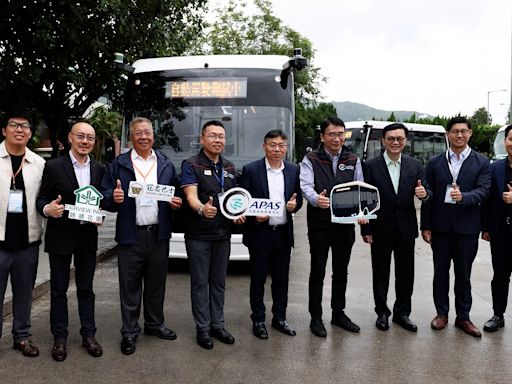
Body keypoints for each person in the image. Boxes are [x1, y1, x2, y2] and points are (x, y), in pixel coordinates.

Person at [101, 117, 182, 355]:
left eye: (147, 133)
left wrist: (176, 203)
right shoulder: (119, 164)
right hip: (130, 235)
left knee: (157, 284)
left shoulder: (165, 164)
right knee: (130, 286)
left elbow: (174, 193)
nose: (143, 137)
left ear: (153, 136)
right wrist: (112, 198)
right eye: (138, 133)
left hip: (158, 234)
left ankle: (155, 325)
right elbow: (106, 193)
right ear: (131, 137)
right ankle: (129, 332)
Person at [36, 122, 105, 361]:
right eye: (81, 137)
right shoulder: (54, 166)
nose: (85, 141)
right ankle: (60, 338)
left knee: (86, 289)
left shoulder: (99, 168)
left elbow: (103, 202)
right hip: (61, 236)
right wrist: (47, 208)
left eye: (90, 138)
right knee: (58, 290)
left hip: (87, 237)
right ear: (70, 138)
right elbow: (42, 198)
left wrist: (102, 213)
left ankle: (89, 335)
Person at [421, 116, 490, 338]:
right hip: (440, 229)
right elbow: (427, 195)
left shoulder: (481, 162)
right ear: (448, 135)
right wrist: (426, 225)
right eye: (454, 131)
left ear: (470, 133)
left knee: (464, 275)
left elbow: (484, 190)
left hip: (467, 229)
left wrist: (464, 197)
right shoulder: (435, 162)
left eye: (463, 131)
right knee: (440, 273)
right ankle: (442, 314)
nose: (459, 135)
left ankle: (464, 317)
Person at [300, 116, 364, 337]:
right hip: (320, 223)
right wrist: (316, 199)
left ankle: (338, 313)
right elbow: (305, 186)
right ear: (322, 136)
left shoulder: (353, 159)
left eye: (340, 134)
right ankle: (315, 317)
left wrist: (363, 211)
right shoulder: (311, 159)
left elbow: (360, 187)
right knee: (317, 270)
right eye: (332, 134)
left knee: (341, 271)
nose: (337, 139)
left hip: (345, 224)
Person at [181, 120, 243, 349]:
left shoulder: (228, 167)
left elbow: (233, 199)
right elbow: (191, 196)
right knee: (200, 283)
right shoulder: (191, 165)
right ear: (202, 139)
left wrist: (237, 214)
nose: (218, 140)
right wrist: (201, 209)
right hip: (198, 234)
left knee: (219, 282)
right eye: (213, 136)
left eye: (222, 137)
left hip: (222, 234)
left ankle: (218, 324)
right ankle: (203, 328)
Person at [362, 123, 429, 332]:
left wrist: (424, 194)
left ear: (405, 141)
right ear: (383, 141)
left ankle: (402, 312)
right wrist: (366, 229)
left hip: (406, 227)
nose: (395, 142)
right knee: (380, 271)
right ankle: (381, 312)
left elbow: (425, 191)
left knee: (406, 273)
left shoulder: (414, 164)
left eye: (399, 138)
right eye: (390, 138)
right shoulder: (370, 166)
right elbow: (365, 199)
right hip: (380, 227)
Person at [240, 130, 303, 340]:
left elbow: (298, 199)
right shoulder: (251, 170)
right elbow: (243, 201)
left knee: (281, 279)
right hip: (260, 233)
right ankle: (258, 319)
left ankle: (280, 318)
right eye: (272, 145)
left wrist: (294, 206)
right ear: (264, 146)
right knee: (258, 279)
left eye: (281, 145)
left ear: (286, 147)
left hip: (283, 233)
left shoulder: (294, 170)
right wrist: (254, 217)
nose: (277, 149)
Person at [0, 113, 45, 357]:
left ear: (30, 132)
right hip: (0, 242)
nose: (20, 130)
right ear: (4, 130)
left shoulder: (39, 164)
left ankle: (22, 337)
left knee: (24, 293)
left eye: (25, 126)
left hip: (28, 242)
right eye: (14, 125)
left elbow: (45, 198)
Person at [481, 124, 512, 332]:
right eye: (511, 139)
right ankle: (498, 315)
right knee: (500, 276)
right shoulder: (496, 168)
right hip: (501, 232)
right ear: (505, 142)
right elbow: (488, 200)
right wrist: (486, 228)